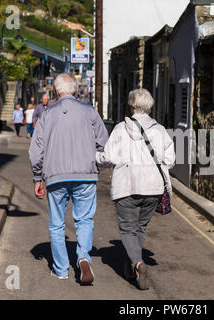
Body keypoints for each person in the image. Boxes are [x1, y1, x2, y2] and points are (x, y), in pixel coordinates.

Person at [29, 73, 108, 285]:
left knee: (57, 224)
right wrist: (94, 161)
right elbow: (104, 143)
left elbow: (36, 151)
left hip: (55, 177)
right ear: (74, 90)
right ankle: (83, 257)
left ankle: (61, 269)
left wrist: (37, 176)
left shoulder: (46, 114)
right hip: (86, 174)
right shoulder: (90, 112)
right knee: (84, 220)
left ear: (55, 91)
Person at [96, 88, 175, 290]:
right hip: (154, 188)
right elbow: (170, 160)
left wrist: (93, 158)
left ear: (131, 106)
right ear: (149, 106)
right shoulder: (160, 130)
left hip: (127, 186)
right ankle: (132, 269)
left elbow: (109, 158)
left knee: (128, 229)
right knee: (139, 228)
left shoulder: (121, 129)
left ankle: (138, 264)